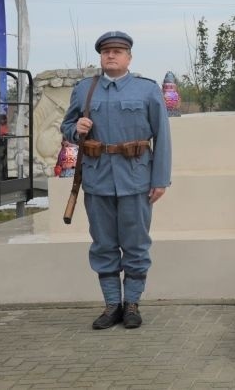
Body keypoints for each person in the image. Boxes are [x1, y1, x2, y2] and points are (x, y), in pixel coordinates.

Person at [61, 31, 172, 330]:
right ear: (101, 56)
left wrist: (159, 179)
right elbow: (67, 126)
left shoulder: (146, 90)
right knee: (104, 245)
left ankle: (132, 304)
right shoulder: (85, 89)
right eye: (107, 51)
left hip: (136, 178)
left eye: (118, 51)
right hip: (97, 180)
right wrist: (76, 129)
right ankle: (112, 305)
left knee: (136, 245)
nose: (111, 55)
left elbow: (162, 137)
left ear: (129, 57)